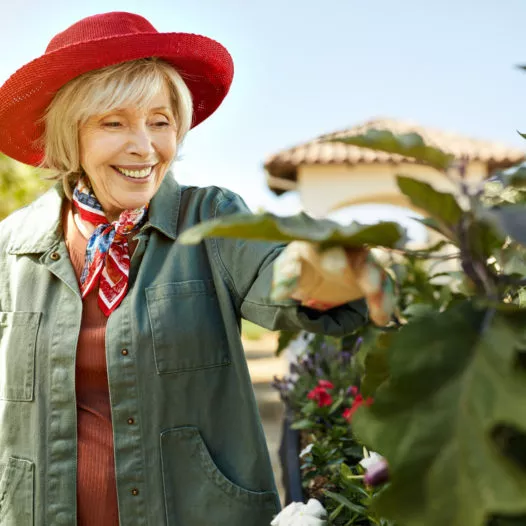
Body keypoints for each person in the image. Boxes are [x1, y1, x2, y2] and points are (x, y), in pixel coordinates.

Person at [0, 12, 386, 526]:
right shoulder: (13, 246)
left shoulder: (211, 219)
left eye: (160, 122)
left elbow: (282, 272)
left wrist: (336, 266)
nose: (145, 145)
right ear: (73, 135)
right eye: (114, 123)